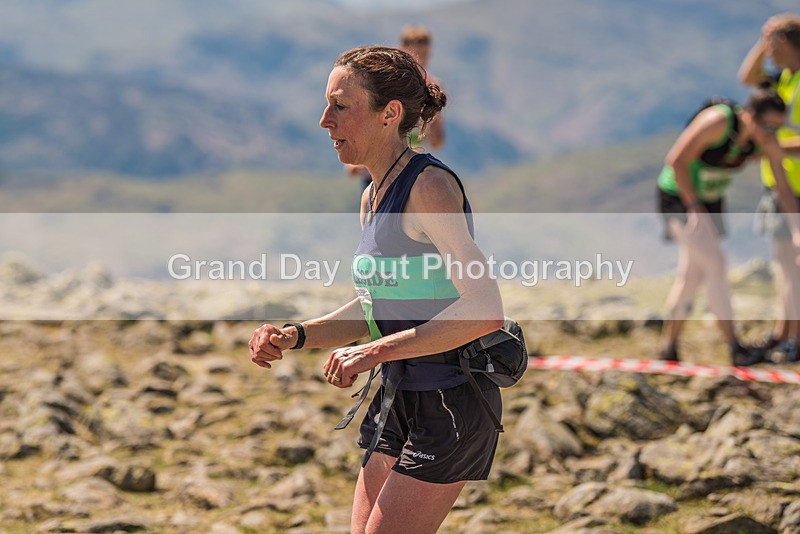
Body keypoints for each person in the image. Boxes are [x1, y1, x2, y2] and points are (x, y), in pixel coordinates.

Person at [249, 45, 504, 533]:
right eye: (327, 105)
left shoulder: (429, 187)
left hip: (450, 400)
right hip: (397, 398)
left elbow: (485, 307)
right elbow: (374, 308)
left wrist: (372, 352)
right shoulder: (372, 195)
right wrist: (295, 335)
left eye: (340, 106)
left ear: (390, 114)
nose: (325, 120)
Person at [656, 88, 791, 366]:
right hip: (680, 196)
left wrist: (797, 225)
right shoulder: (718, 122)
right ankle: (735, 347)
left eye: (778, 128)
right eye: (768, 126)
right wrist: (694, 207)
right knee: (716, 264)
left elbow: (781, 181)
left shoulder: (762, 139)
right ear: (750, 115)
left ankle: (668, 348)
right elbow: (676, 160)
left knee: (692, 275)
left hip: (710, 199)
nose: (772, 134)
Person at [739, 13, 800, 362]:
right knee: (785, 263)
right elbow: (748, 77)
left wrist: (771, 148)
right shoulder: (784, 78)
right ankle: (783, 333)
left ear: (787, 43)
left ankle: (792, 338)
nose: (769, 52)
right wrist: (765, 43)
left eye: (773, 44)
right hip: (779, 181)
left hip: (795, 183)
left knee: (792, 265)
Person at [400, 25, 446, 152]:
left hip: (413, 157)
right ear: (402, 50)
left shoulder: (433, 86)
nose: (422, 61)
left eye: (425, 55)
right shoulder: (394, 83)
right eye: (417, 55)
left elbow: (437, 142)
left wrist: (432, 114)